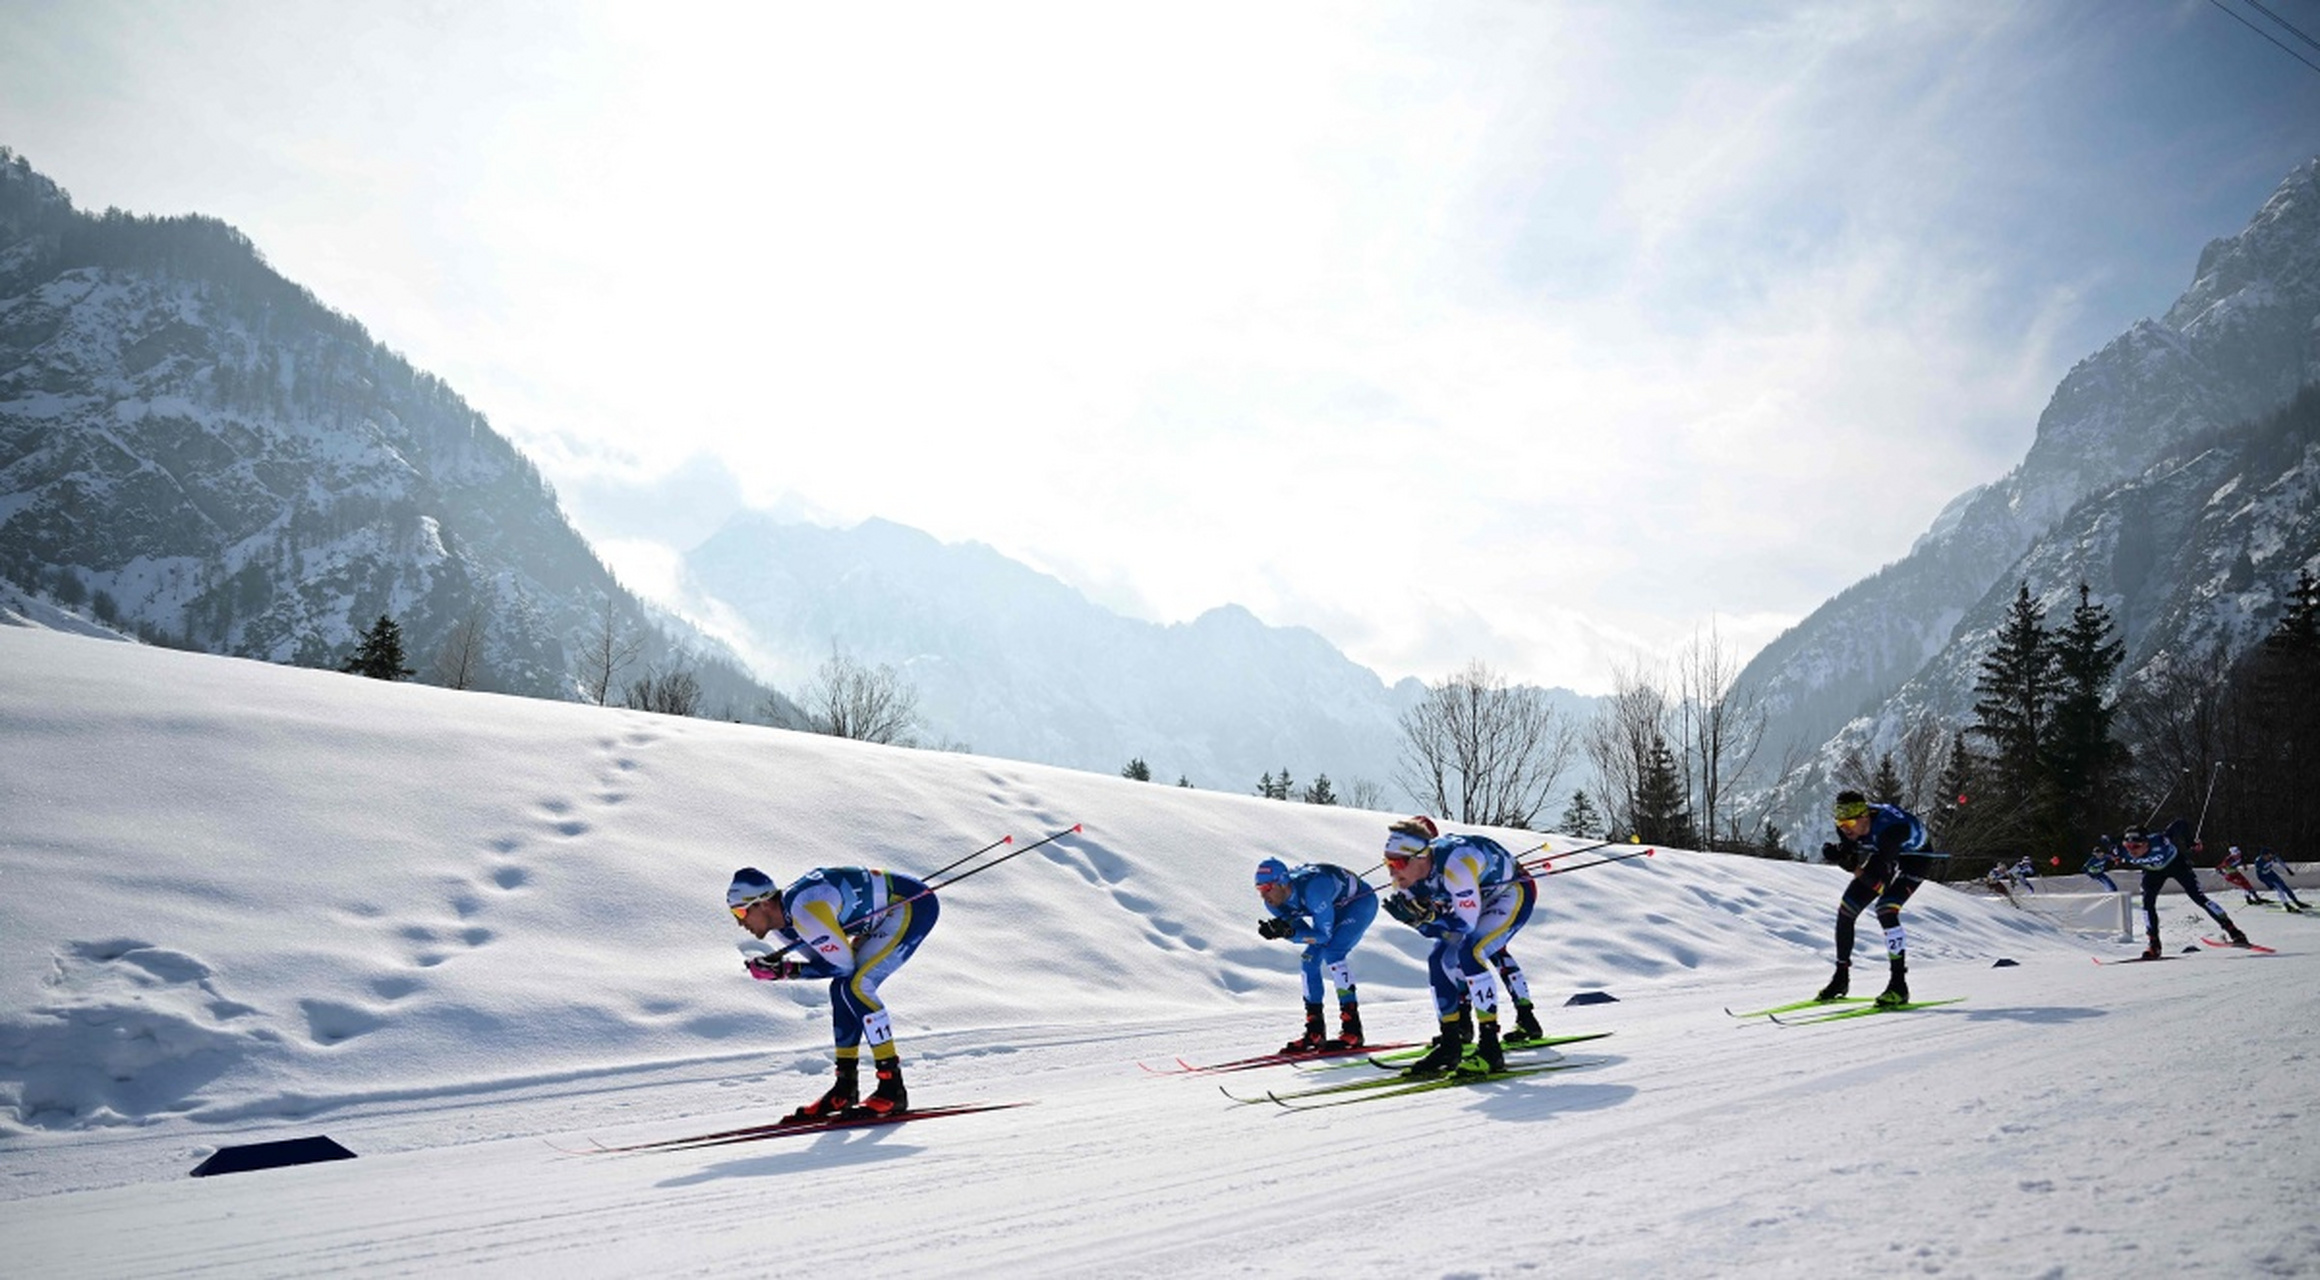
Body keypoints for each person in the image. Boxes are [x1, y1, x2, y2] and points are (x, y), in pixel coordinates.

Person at [728, 864, 940, 1122]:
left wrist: (784, 970)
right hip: (881, 914)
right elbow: (831, 966)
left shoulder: (805, 913)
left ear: (763, 904)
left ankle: (891, 1086)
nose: (739, 922)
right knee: (841, 987)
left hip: (910, 905)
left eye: (740, 911)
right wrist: (783, 969)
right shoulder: (785, 926)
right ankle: (845, 1087)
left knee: (857, 986)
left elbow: (842, 965)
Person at [1379, 816, 1537, 1076]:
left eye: (1396, 863)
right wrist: (1419, 922)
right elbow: (1436, 932)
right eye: (1387, 862)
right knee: (1438, 958)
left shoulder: (1457, 867)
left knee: (1471, 951)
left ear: (1420, 858)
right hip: (1476, 899)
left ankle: (1490, 1048)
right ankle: (1451, 1043)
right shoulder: (1407, 877)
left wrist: (1427, 917)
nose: (1391, 872)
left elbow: (1464, 926)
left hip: (1510, 892)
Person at [1817, 790, 1937, 1008]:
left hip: (1917, 858)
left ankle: (1899, 985)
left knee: (1886, 909)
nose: (1844, 829)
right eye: (1840, 824)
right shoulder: (1850, 824)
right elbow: (1852, 847)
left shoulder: (1892, 830)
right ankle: (1840, 978)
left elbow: (1879, 884)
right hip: (1885, 853)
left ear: (1865, 818)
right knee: (1846, 911)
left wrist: (1853, 867)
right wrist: (1839, 852)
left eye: (1849, 824)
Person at [1254, 856, 1378, 1052]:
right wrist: (1285, 931)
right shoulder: (1273, 903)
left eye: (1267, 888)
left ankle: (1352, 1029)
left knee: (1333, 953)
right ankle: (1315, 1031)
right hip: (1333, 906)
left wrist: (1290, 932)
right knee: (1308, 961)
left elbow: (1322, 935)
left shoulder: (1314, 890)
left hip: (1359, 903)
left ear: (1283, 883)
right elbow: (1303, 934)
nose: (1263, 895)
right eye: (1259, 889)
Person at [2117, 821, 2250, 958]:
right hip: (2152, 872)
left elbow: (2180, 823)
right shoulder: (2120, 850)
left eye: (2136, 846)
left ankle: (2233, 931)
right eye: (2128, 846)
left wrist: (2190, 842)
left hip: (2177, 865)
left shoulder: (2161, 840)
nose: (2131, 850)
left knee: (2198, 898)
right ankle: (2154, 944)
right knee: (2147, 904)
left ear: (2146, 842)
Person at [2252, 847, 2308, 912]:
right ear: (2263, 856)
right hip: (2263, 877)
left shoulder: (2272, 857)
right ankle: (2286, 904)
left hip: (2270, 873)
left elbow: (2280, 862)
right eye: (2266, 856)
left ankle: (2296, 901)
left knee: (2285, 887)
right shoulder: (2258, 861)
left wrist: (2287, 869)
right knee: (2279, 888)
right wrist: (2268, 884)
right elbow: (2260, 874)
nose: (2268, 857)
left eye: (2269, 855)